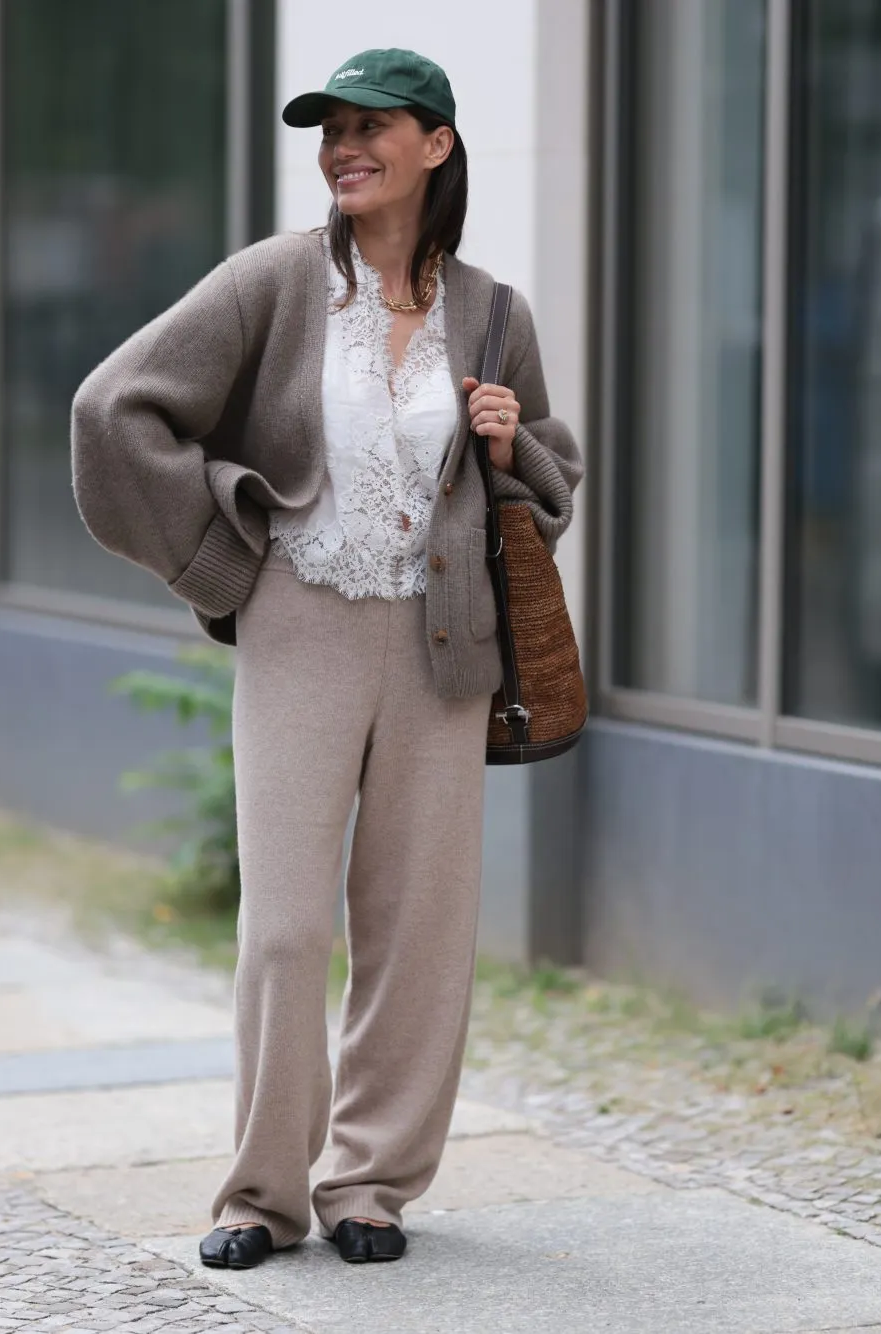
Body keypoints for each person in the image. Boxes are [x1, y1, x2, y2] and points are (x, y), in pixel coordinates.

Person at [70, 49, 582, 1269]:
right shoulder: (277, 281)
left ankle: (370, 1183)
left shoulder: (493, 311)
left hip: (442, 641)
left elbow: (552, 484)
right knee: (288, 929)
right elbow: (115, 409)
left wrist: (514, 446)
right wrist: (223, 546)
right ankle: (259, 1193)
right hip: (300, 622)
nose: (342, 147)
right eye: (330, 130)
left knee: (416, 929)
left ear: (435, 147)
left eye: (370, 127)